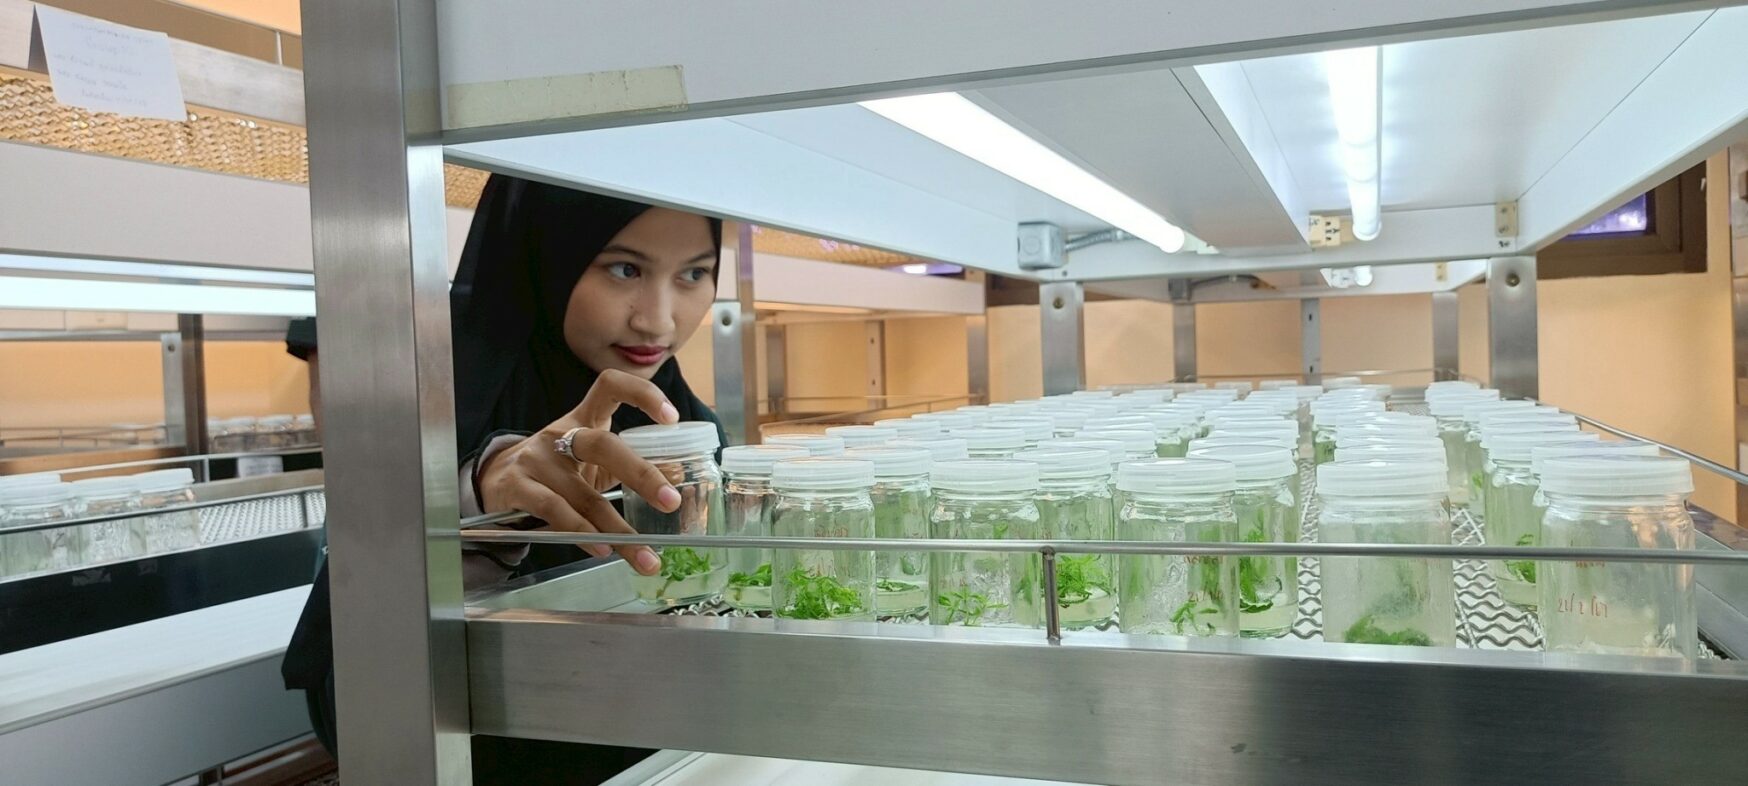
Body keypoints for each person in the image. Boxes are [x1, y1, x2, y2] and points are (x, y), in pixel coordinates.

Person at [283, 174, 725, 784]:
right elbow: (364, 690)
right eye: (624, 269)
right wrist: (479, 493)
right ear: (544, 254)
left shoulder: (691, 426)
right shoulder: (434, 390)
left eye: (694, 273)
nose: (657, 320)